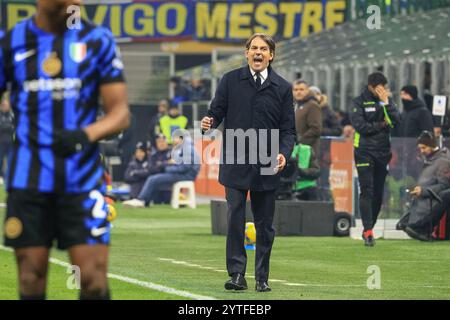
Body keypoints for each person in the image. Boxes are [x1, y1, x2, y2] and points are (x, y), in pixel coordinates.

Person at [0, 0, 130, 300]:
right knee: (31, 278)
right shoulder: (12, 42)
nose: (72, 4)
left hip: (82, 179)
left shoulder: (97, 40)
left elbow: (120, 114)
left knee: (94, 279)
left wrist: (86, 134)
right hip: (28, 181)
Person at [201, 33, 296, 292]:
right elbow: (215, 112)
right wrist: (208, 122)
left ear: (271, 55)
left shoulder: (283, 88)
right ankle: (236, 275)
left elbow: (289, 131)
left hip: (267, 163)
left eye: (263, 49)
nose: (258, 52)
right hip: (235, 161)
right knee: (235, 218)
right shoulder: (230, 81)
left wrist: (283, 154)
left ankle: (262, 277)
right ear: (246, 53)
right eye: (253, 48)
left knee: (265, 225)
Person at [350, 72, 400, 246]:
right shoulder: (359, 101)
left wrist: (387, 103)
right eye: (379, 88)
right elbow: (360, 126)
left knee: (378, 192)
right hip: (363, 151)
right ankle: (368, 230)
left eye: (384, 88)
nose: (382, 91)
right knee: (367, 190)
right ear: (371, 86)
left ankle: (369, 228)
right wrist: (381, 124)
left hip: (383, 152)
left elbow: (395, 122)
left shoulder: (386, 101)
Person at [122, 131, 199, 208]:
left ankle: (141, 200)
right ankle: (143, 200)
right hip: (184, 174)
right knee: (153, 177)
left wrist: (166, 169)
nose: (173, 140)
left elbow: (184, 168)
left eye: (175, 138)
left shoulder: (187, 149)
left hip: (186, 175)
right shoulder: (183, 148)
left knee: (153, 179)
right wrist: (168, 165)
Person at [398, 131, 450, 241]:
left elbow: (444, 185)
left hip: (432, 200)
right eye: (420, 148)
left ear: (432, 146)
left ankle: (422, 228)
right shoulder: (432, 159)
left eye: (424, 148)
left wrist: (424, 191)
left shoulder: (443, 161)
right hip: (425, 200)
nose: (421, 151)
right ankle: (410, 222)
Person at [292, 80, 322, 157]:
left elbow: (315, 129)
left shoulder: (312, 105)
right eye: (296, 90)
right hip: (295, 151)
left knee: (305, 169)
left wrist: (299, 142)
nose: (298, 92)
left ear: (307, 90)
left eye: (301, 89)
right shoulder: (294, 105)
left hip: (307, 151)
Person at [0, 93, 14, 184]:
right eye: (3, 105)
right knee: (0, 160)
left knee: (10, 161)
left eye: (6, 105)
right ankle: (1, 177)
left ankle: (8, 178)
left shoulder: (11, 115)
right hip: (0, 142)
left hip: (10, 142)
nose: (5, 107)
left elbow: (14, 126)